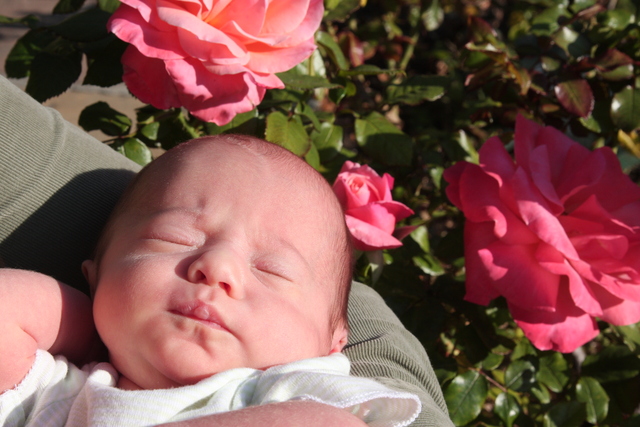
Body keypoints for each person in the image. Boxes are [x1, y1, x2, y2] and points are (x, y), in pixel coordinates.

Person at [0, 74, 453, 426]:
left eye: (272, 270)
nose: (217, 267)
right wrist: (86, 317)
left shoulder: (288, 393)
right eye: (175, 237)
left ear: (332, 348)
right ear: (94, 273)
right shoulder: (57, 393)